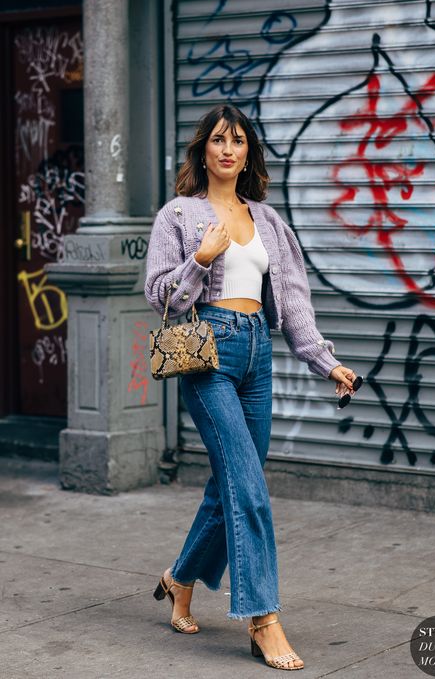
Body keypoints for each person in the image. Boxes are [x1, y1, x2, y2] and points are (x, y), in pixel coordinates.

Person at [144, 104, 359, 671]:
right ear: (203, 151)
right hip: (207, 353)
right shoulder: (179, 215)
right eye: (217, 140)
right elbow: (158, 294)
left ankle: (180, 578)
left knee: (231, 485)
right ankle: (263, 619)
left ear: (248, 154)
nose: (227, 149)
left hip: (257, 352)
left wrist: (324, 362)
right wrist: (200, 260)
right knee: (249, 487)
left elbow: (294, 304)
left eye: (237, 140)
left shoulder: (268, 221)